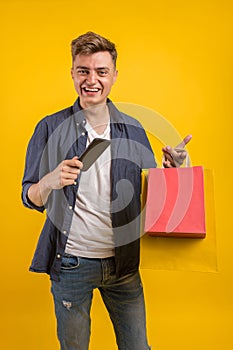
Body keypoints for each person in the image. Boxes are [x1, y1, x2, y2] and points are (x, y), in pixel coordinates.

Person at [22, 31, 191, 350]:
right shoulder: (49, 128)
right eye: (83, 70)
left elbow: (151, 196)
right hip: (70, 263)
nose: (92, 80)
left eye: (101, 71)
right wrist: (49, 181)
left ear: (114, 75)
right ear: (72, 73)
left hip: (124, 265)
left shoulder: (133, 129)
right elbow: (29, 196)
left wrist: (173, 171)